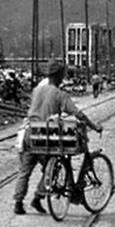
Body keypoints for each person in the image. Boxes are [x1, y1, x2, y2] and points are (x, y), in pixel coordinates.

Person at [12, 60, 103, 215]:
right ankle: (38, 197)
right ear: (60, 75)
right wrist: (93, 126)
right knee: (52, 169)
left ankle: (18, 203)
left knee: (24, 171)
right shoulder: (61, 95)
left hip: (28, 132)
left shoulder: (37, 90)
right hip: (44, 136)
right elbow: (77, 113)